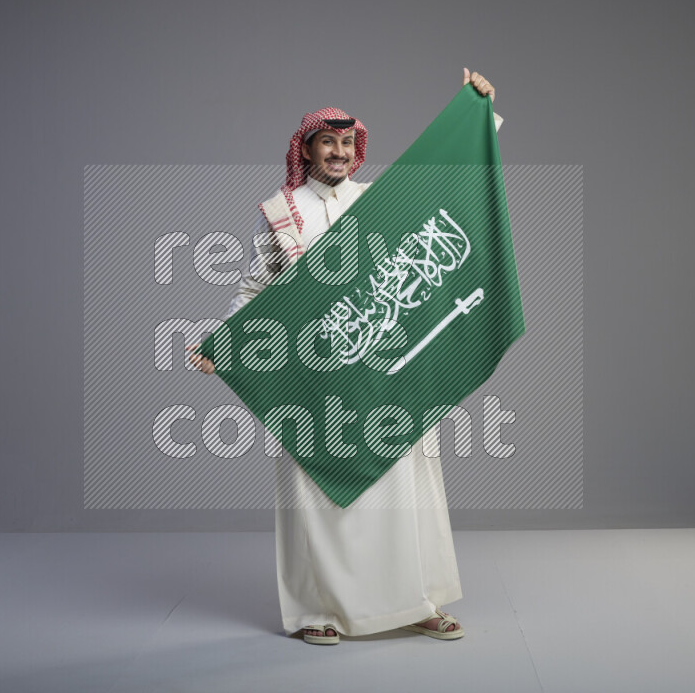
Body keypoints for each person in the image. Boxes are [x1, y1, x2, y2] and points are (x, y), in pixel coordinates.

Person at [188, 68, 502, 644]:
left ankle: (420, 600)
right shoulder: (281, 213)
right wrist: (222, 342)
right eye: (326, 142)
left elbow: (451, 182)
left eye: (347, 143)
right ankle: (317, 612)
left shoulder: (380, 202)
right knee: (317, 498)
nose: (338, 151)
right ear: (305, 150)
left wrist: (478, 113)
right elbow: (256, 290)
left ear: (357, 150)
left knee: (405, 486)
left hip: (385, 370)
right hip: (313, 377)